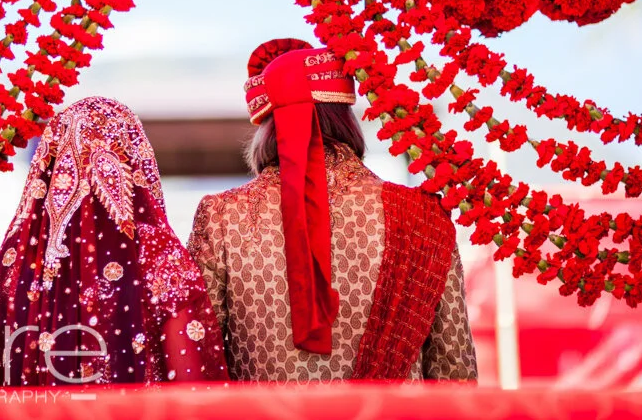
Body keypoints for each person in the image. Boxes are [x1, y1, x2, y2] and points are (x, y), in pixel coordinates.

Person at [188, 39, 477, 382]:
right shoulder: (422, 217)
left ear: (266, 128)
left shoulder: (222, 216)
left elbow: (198, 357)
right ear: (346, 118)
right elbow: (454, 371)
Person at [0, 97, 228, 386]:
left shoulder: (17, 259)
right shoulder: (156, 252)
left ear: (51, 163)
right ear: (135, 159)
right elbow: (193, 385)